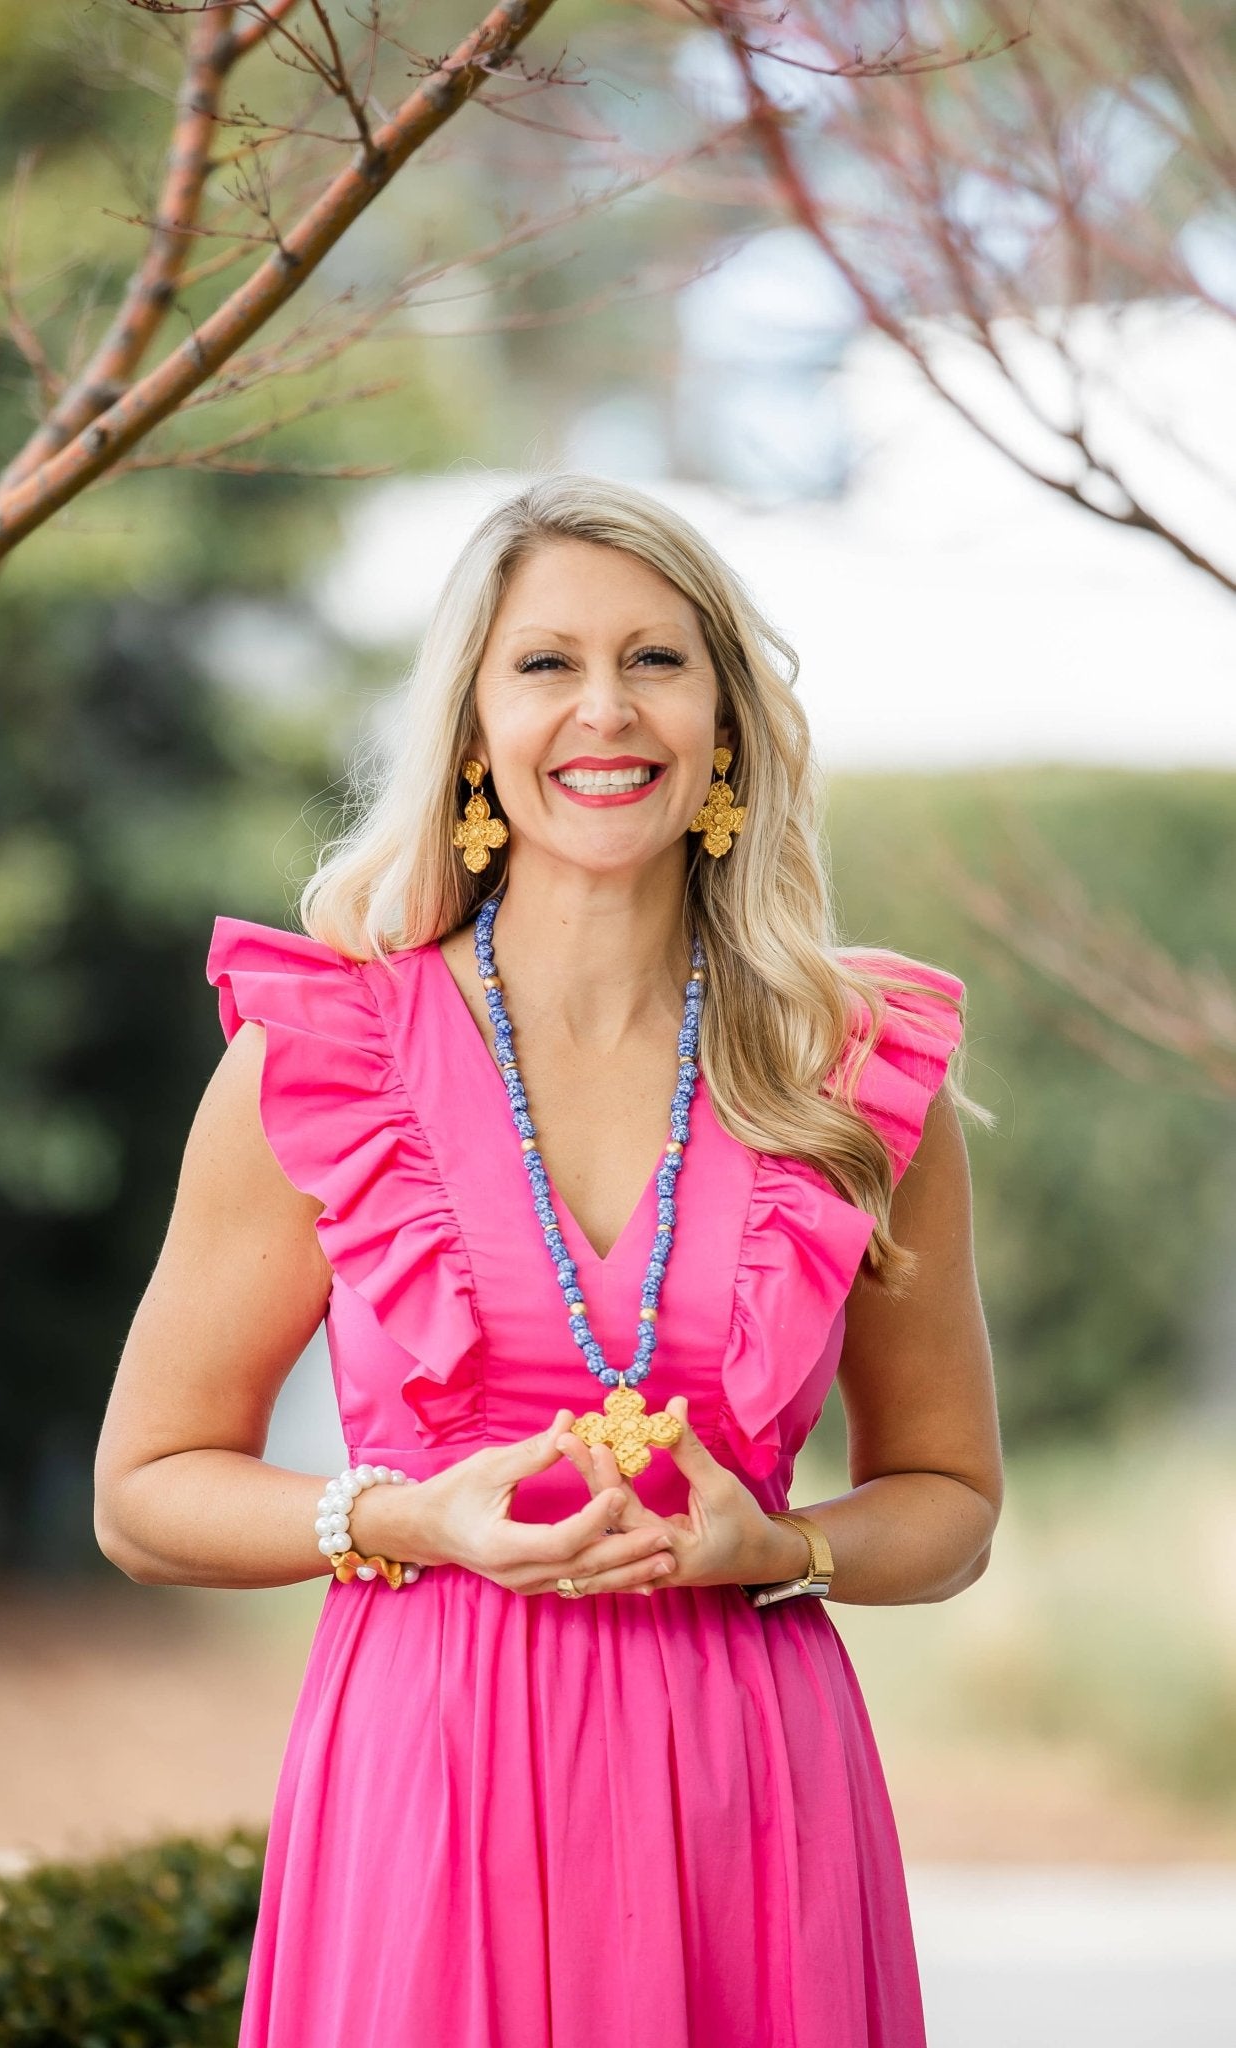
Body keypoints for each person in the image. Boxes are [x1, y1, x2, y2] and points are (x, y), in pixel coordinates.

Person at [94, 472, 1002, 2048]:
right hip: (427, 1785)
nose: (605, 711)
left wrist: (775, 1551)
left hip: (751, 1804)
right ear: (470, 729)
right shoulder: (323, 1058)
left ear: (724, 721)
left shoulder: (849, 1076)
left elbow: (952, 1503)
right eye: (545, 664)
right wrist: (404, 1516)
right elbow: (145, 1488)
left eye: (656, 660)